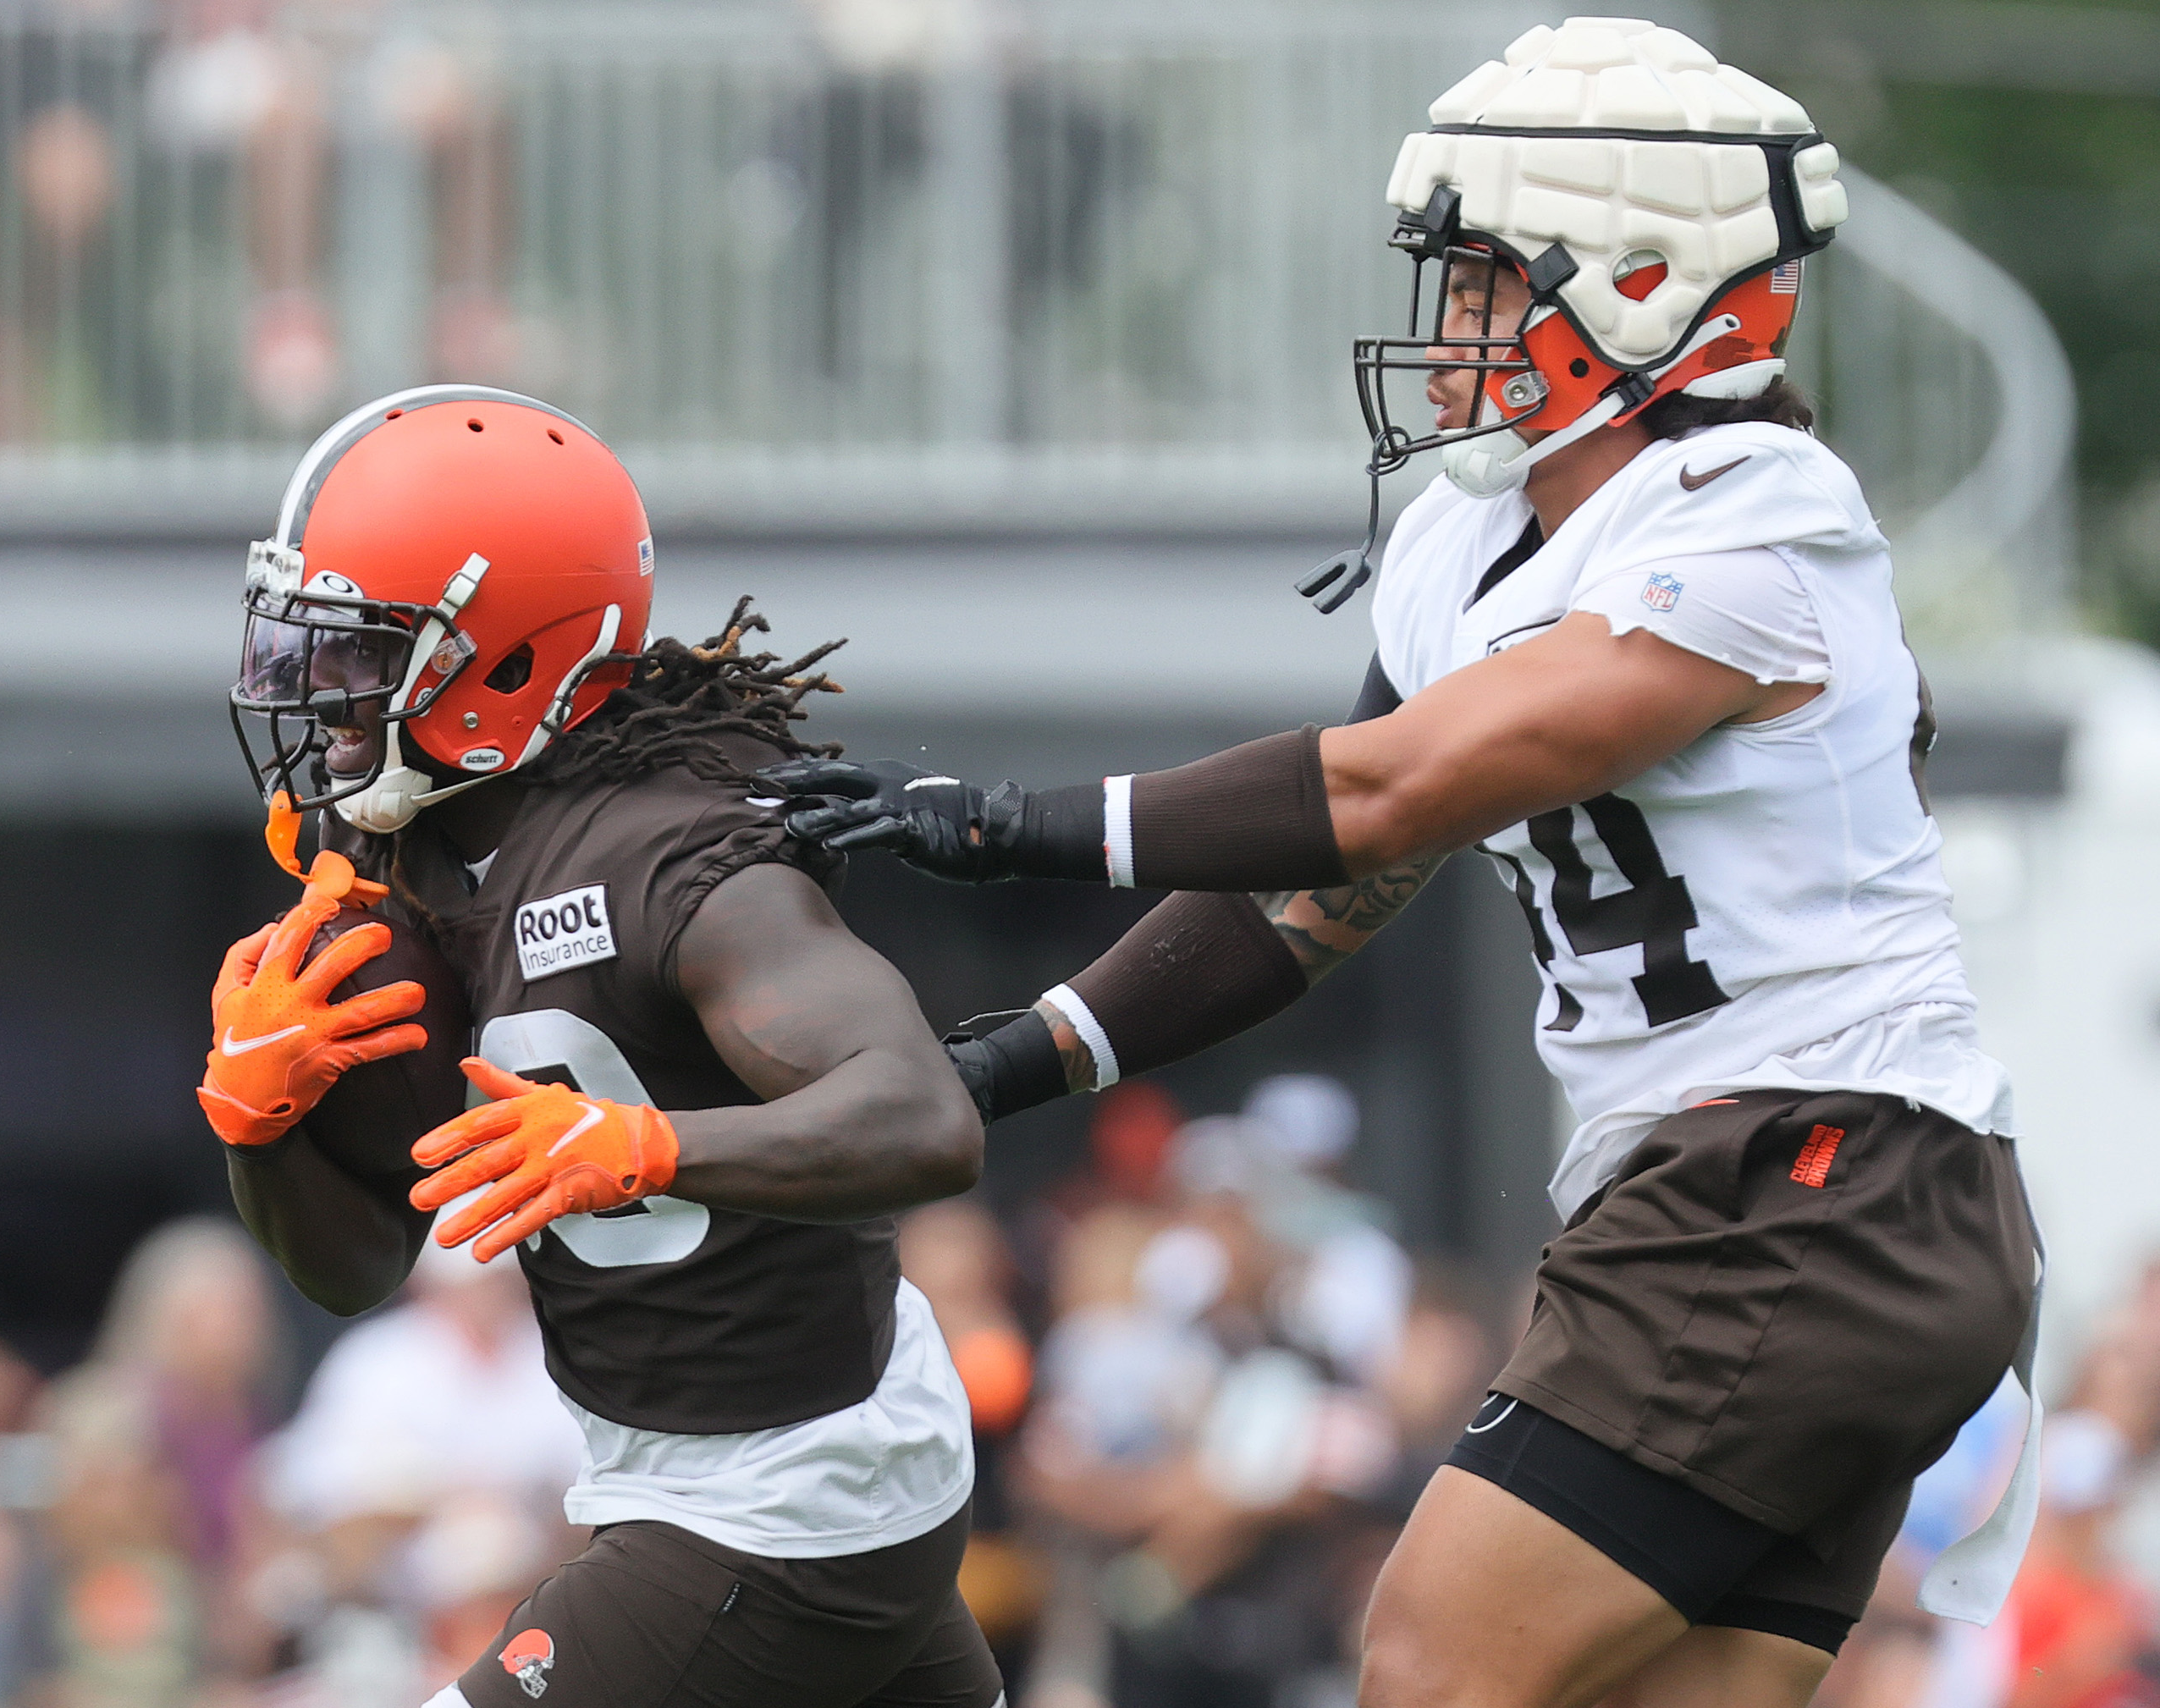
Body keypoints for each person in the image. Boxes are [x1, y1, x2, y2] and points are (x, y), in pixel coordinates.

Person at [764, 20, 2039, 1708]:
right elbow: (1316, 898)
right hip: (1762, 1195)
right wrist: (1004, 1062)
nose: (1448, 329)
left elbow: (1384, 789)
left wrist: (1007, 826)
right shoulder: (1465, 536)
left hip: (1810, 1178)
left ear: (1645, 284)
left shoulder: (1751, 509)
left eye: (1490, 283)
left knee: (1433, 1661)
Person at [195, 384, 1001, 1708]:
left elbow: (924, 1119)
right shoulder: (406, 837)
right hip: (728, 1465)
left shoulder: (672, 855)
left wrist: (647, 1146)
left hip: (783, 1491)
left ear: (508, 657)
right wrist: (254, 1126)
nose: (316, 696)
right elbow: (355, 1267)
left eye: (364, 653)